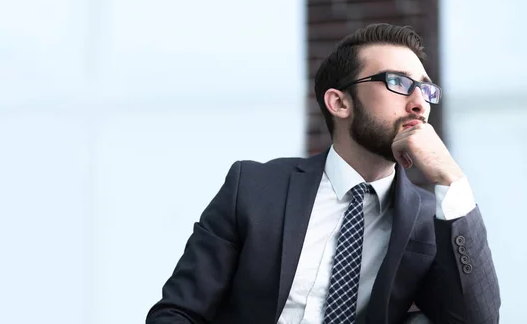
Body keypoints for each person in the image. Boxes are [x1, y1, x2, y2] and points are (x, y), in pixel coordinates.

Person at [145, 23, 500, 323]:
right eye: (399, 82)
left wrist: (451, 180)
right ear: (340, 103)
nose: (419, 102)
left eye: (425, 89)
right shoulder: (253, 189)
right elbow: (179, 312)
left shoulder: (429, 217)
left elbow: (477, 320)